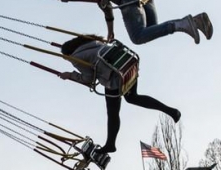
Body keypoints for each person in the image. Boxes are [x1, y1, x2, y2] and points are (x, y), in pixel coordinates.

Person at [58, 35, 181, 153]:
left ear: (68, 54)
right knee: (133, 97)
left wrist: (69, 75)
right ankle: (171, 111)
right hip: (127, 65)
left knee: (113, 112)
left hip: (115, 77)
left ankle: (110, 144)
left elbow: (88, 78)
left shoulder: (76, 58)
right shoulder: (92, 43)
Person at [61, 0, 213, 45]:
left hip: (130, 3)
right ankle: (195, 21)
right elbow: (106, 7)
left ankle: (183, 24)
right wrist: (110, 31)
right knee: (153, 29)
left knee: (138, 37)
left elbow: (106, 6)